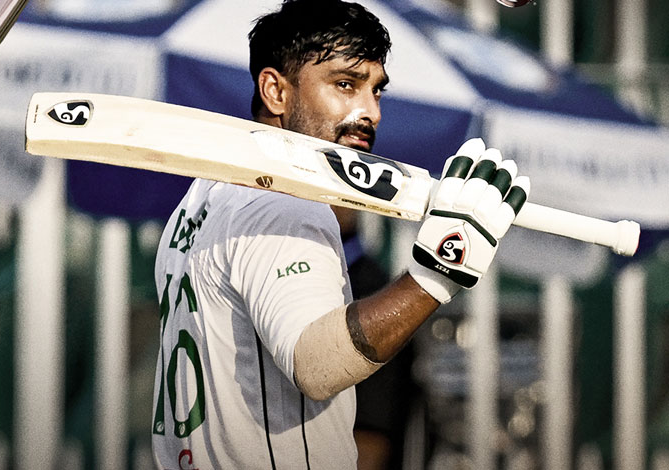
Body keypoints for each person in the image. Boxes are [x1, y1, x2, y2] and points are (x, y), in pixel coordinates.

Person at [151, 1, 530, 468]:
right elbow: (317, 365)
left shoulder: (201, 198)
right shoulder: (284, 202)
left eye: (376, 90)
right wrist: (437, 273)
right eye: (345, 84)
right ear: (275, 91)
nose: (369, 112)